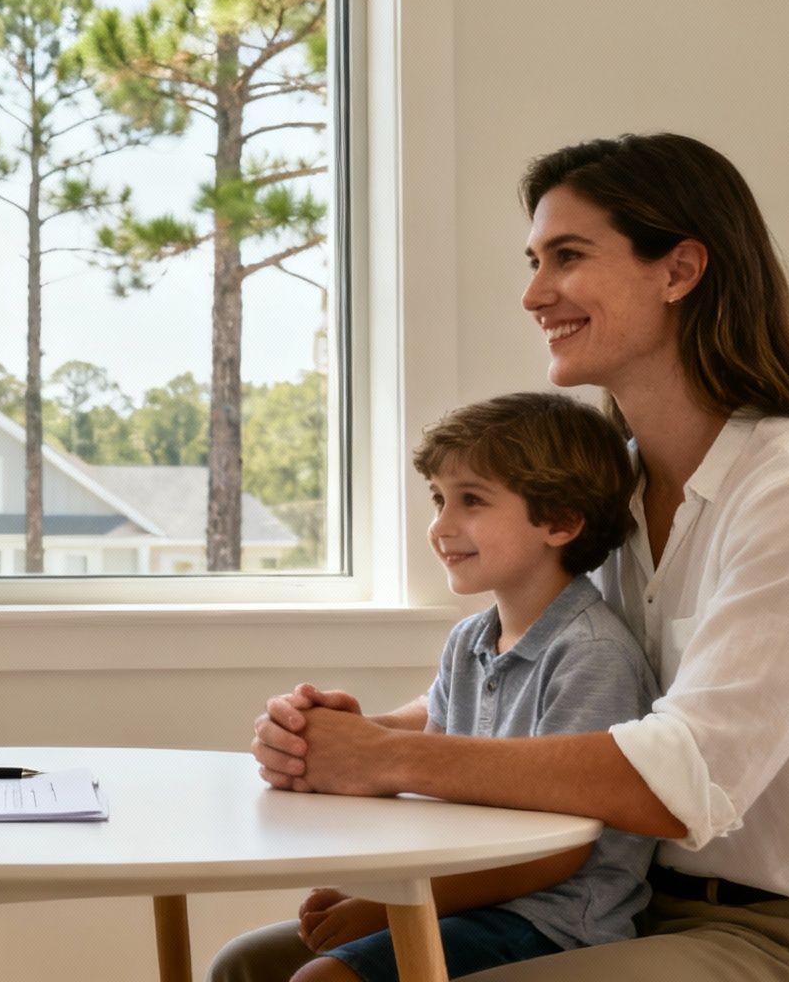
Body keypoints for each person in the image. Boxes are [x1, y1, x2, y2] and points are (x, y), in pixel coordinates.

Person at [246, 133, 789, 982]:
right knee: (255, 965)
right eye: (534, 260)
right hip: (634, 910)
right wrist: (353, 732)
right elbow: (559, 682)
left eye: (567, 257)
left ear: (679, 271)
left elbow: (678, 776)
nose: (534, 294)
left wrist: (387, 761)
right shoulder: (616, 492)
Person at [215, 392, 657, 982]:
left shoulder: (593, 657)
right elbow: (436, 796)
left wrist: (383, 907)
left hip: (551, 921)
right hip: (467, 901)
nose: (441, 527)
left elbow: (559, 856)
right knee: (241, 964)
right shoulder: (469, 642)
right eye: (439, 499)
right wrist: (333, 745)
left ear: (561, 521)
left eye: (471, 501)